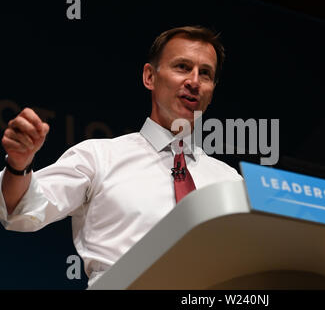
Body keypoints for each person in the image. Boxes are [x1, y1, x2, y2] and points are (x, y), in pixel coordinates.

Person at [0, 26, 242, 287]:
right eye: (182, 67)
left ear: (212, 90)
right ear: (149, 77)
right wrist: (18, 165)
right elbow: (20, 211)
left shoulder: (231, 182)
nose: (194, 81)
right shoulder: (99, 157)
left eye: (205, 73)